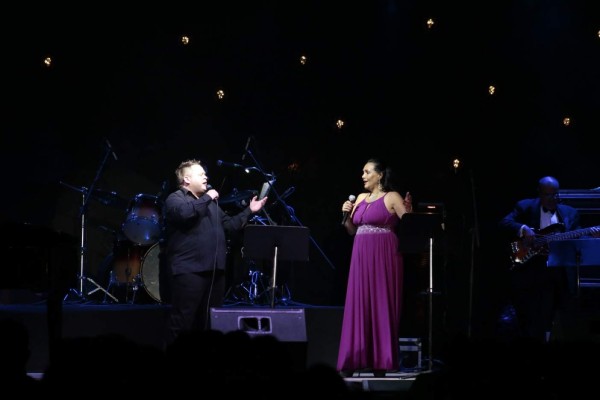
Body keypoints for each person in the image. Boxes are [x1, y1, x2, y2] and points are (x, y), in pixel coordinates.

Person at [162, 159, 268, 346]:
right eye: (201, 174)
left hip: (215, 273)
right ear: (187, 179)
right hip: (190, 270)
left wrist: (249, 211)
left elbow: (229, 226)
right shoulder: (175, 198)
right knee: (183, 323)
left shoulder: (211, 206)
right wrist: (208, 197)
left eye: (205, 174)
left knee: (210, 325)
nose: (206, 177)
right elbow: (184, 214)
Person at [498, 175, 600, 342]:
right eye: (548, 194)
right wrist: (523, 229)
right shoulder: (525, 206)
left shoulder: (569, 212)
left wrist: (591, 235)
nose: (553, 198)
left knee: (567, 317)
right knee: (534, 321)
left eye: (555, 194)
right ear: (539, 193)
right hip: (533, 271)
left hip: (560, 273)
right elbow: (504, 223)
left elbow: (576, 237)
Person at [337, 157, 413, 377]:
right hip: (360, 255)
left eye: (367, 171)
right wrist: (345, 216)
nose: (363, 175)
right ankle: (353, 358)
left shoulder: (392, 197)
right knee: (358, 303)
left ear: (379, 175)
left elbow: (410, 226)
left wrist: (409, 209)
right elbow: (352, 230)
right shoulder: (360, 198)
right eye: (362, 172)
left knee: (381, 303)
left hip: (384, 255)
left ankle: (381, 361)